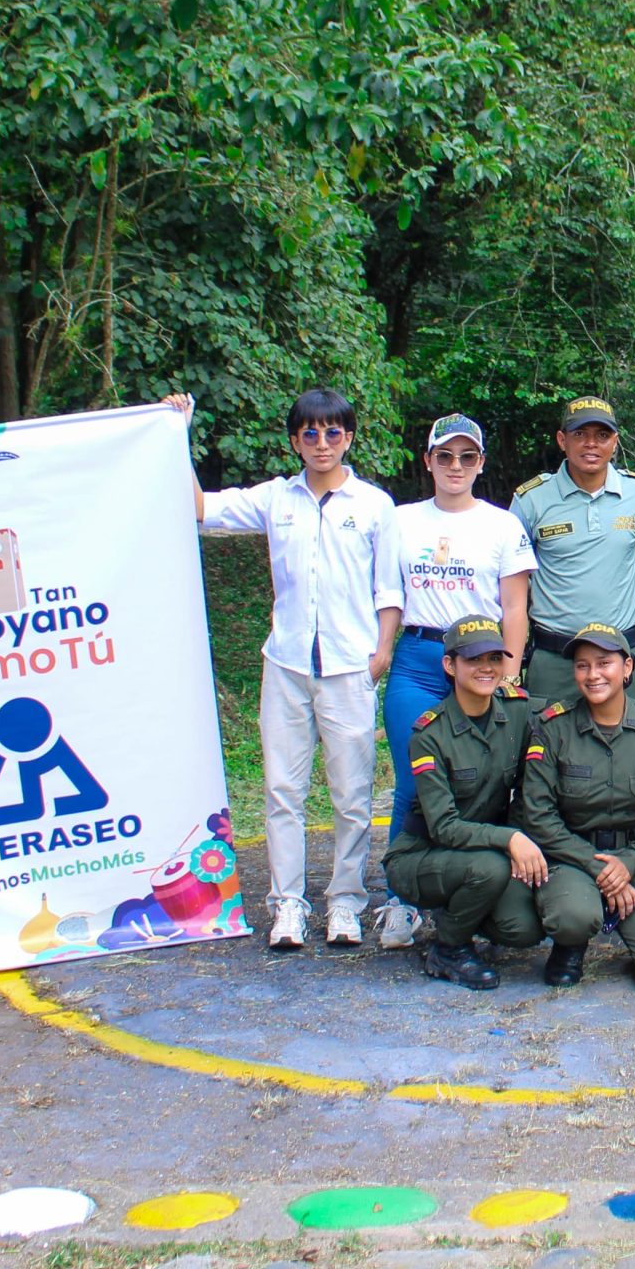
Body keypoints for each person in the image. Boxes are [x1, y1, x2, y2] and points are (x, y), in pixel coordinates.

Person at [186, 388, 402, 951]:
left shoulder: (374, 505)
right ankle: (287, 904)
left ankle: (346, 903)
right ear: (294, 441)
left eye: (333, 433)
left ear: (349, 438)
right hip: (285, 663)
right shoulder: (276, 500)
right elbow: (198, 508)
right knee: (283, 789)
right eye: (310, 434)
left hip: (350, 665)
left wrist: (381, 650)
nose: (322, 443)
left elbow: (389, 587)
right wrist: (174, 436)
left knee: (352, 794)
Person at [378, 414, 535, 950]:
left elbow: (515, 605)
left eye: (467, 457)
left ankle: (479, 884)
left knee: (489, 778)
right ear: (428, 461)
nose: (455, 466)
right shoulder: (399, 520)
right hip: (421, 657)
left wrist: (509, 673)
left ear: (481, 464)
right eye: (445, 456)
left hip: (483, 661)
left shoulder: (501, 524)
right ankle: (403, 901)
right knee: (410, 781)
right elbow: (387, 595)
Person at [514, 623, 635, 993]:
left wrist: (629, 863)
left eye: (603, 663)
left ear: (628, 668)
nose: (593, 674)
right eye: (582, 666)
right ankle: (570, 944)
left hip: (634, 858)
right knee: (574, 916)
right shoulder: (552, 728)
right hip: (571, 857)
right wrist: (600, 869)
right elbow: (539, 814)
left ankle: (634, 928)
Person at [383, 615, 547, 991]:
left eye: (493, 658)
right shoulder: (430, 734)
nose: (486, 668)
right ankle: (448, 948)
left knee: (522, 930)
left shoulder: (517, 711)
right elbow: (443, 827)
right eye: (473, 660)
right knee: (488, 869)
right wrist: (510, 840)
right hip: (422, 854)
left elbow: (532, 780)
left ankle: (461, 911)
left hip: (478, 853)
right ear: (449, 665)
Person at [510, 397, 635, 710]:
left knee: (632, 751)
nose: (591, 444)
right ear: (562, 440)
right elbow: (512, 582)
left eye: (602, 435)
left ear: (615, 442)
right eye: (580, 434)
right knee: (547, 750)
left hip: (623, 657)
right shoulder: (531, 501)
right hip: (556, 659)